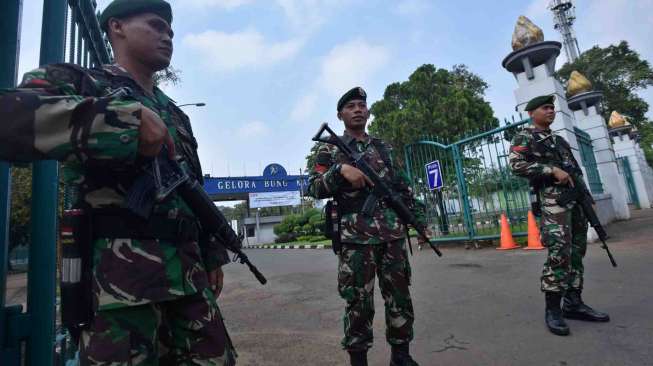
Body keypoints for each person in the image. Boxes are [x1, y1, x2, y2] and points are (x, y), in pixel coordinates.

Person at [0, 0, 236, 364]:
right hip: (118, 288)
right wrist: (121, 123)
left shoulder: (174, 112)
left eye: (171, 31)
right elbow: (10, 119)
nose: (168, 36)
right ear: (117, 27)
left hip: (189, 281)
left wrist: (212, 255)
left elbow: (192, 190)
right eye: (157, 26)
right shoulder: (83, 82)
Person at [308, 87, 431, 366]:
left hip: (393, 235)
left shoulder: (383, 147)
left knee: (399, 298)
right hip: (355, 239)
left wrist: (420, 222)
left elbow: (402, 188)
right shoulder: (329, 148)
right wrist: (340, 172)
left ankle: (401, 356)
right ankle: (358, 360)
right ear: (340, 115)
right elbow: (313, 187)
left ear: (368, 111)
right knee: (358, 303)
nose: (357, 109)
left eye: (362, 105)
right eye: (350, 106)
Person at [509, 95, 610, 336]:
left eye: (553, 108)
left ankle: (573, 303)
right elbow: (516, 165)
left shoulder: (560, 141)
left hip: (575, 202)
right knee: (559, 252)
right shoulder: (525, 137)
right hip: (553, 204)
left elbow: (574, 171)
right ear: (532, 112)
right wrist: (550, 169)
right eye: (545, 107)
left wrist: (587, 197)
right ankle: (553, 310)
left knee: (577, 251)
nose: (551, 111)